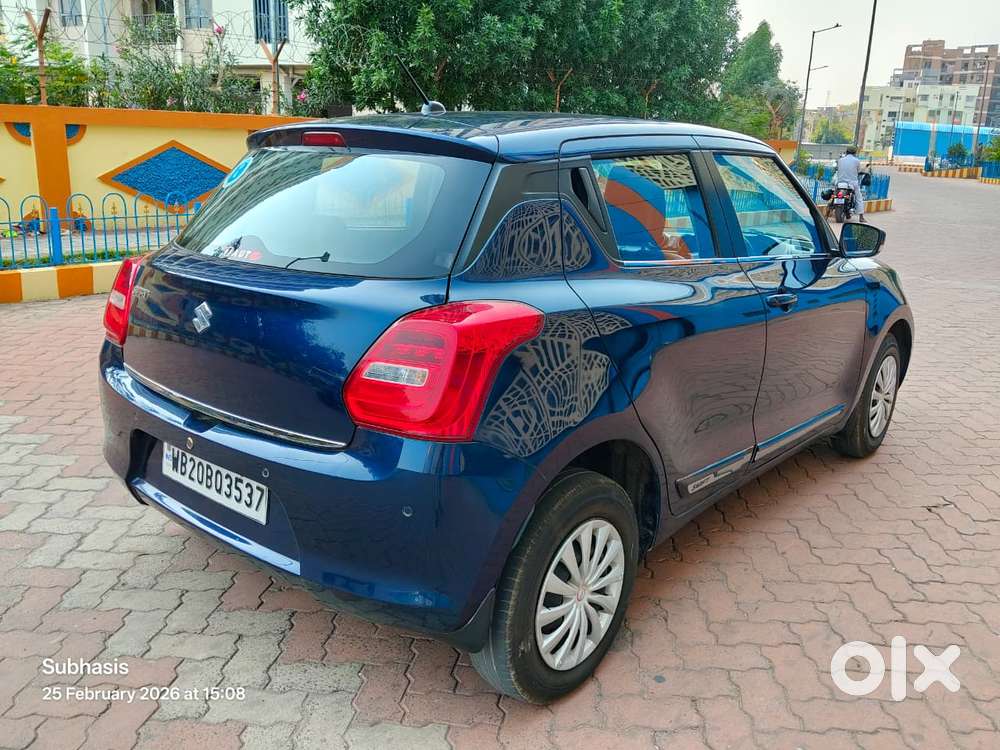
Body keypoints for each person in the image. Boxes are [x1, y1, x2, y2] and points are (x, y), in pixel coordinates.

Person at [836, 146, 867, 222]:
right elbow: (859, 171)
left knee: (834, 194)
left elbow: (837, 169)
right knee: (859, 198)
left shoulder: (840, 160)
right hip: (852, 183)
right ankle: (861, 217)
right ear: (855, 153)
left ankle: (828, 211)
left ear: (846, 152)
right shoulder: (856, 161)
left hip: (840, 182)